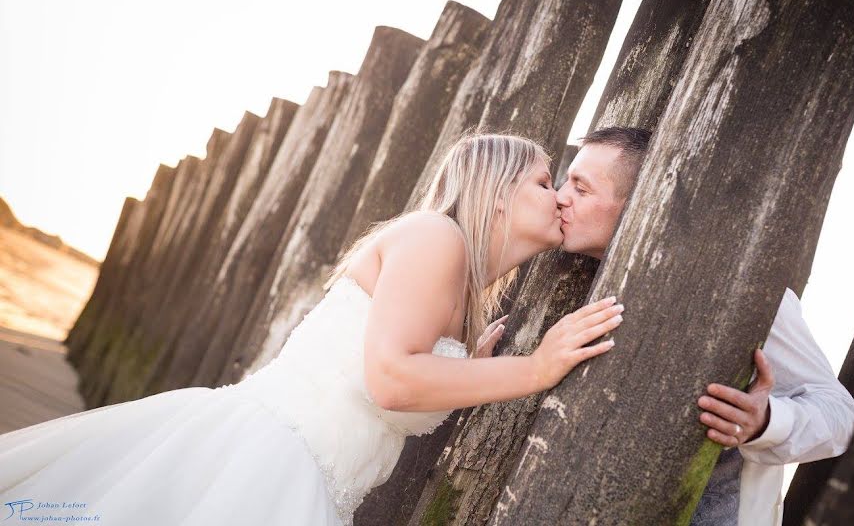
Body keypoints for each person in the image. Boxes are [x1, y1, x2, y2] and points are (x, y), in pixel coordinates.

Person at [0, 133, 624, 526]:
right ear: (496, 194)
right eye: (547, 182)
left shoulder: (458, 284)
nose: (560, 197)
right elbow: (390, 381)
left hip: (309, 481)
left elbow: (396, 376)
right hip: (266, 461)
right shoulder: (437, 236)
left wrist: (466, 369)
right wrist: (533, 369)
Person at [555, 126, 854, 526]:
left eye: (581, 188)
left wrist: (765, 423)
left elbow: (839, 414)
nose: (560, 196)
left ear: (639, 204)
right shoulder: (567, 282)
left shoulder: (739, 290)